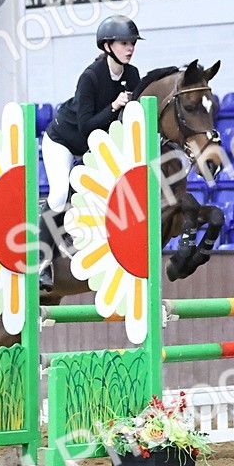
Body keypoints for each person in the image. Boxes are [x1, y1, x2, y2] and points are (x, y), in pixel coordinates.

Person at [39, 15, 143, 289]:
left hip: (94, 146)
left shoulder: (132, 75)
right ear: (107, 46)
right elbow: (86, 126)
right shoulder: (90, 77)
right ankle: (40, 261)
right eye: (124, 43)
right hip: (64, 140)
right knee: (60, 193)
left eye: (132, 43)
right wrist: (113, 106)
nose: (130, 48)